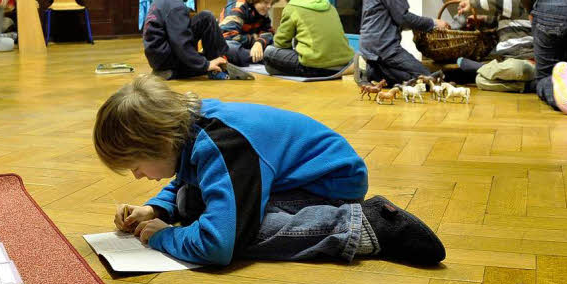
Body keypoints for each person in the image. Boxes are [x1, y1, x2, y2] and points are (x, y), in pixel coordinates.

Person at [93, 75, 445, 267]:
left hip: (330, 183)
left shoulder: (222, 143)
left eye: (136, 166)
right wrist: (156, 209)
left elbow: (218, 247)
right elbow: (189, 176)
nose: (138, 176)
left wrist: (161, 237)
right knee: (191, 204)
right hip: (298, 177)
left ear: (162, 139)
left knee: (239, 234)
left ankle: (366, 225)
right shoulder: (189, 127)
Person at [142, 0, 252, 80]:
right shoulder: (176, 7)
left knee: (206, 18)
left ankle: (219, 59)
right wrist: (205, 65)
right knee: (203, 52)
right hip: (167, 63)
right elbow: (182, 46)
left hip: (161, 56)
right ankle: (217, 65)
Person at [455, 0, 536, 92]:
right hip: (508, 63)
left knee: (518, 68)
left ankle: (483, 67)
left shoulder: (518, 3)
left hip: (526, 62)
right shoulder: (507, 13)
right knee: (480, 81)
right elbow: (498, 21)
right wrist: (483, 19)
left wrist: (471, 1)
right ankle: (528, 86)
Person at [263, 0, 354, 78]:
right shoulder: (330, 6)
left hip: (314, 67)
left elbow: (280, 43)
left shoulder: (292, 7)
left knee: (269, 52)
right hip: (342, 65)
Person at [219, 0, 280, 65]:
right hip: (234, 44)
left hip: (248, 46)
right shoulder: (237, 8)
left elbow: (268, 32)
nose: (269, 6)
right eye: (266, 2)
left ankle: (256, 57)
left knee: (275, 43)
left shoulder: (262, 10)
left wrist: (260, 42)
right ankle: (263, 58)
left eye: (271, 3)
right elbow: (227, 35)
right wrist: (255, 40)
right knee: (229, 48)